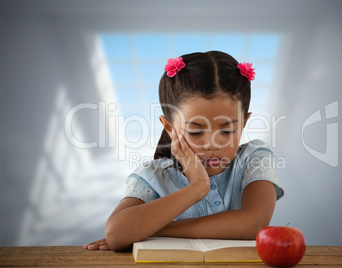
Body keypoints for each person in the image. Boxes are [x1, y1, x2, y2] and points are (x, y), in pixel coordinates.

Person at [84, 51, 284, 251]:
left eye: (227, 130)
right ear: (169, 128)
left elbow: (254, 223)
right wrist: (197, 186)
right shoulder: (154, 175)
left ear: (244, 123)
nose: (212, 144)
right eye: (196, 132)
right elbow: (116, 234)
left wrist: (157, 229)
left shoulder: (255, 157)